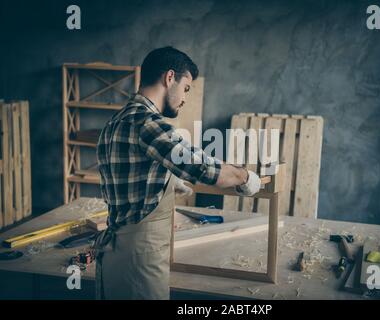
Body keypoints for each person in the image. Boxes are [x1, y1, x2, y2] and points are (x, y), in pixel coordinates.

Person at [94, 46, 261, 299]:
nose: (185, 99)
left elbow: (134, 178)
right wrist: (244, 177)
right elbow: (203, 168)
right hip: (139, 261)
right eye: (185, 88)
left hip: (117, 254)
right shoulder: (148, 124)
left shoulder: (115, 122)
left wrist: (169, 182)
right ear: (169, 77)